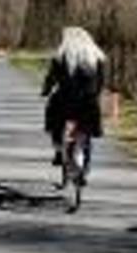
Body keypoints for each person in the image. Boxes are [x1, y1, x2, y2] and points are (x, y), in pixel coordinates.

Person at [41, 27, 106, 166]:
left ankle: (59, 149)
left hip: (65, 99)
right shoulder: (96, 57)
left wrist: (46, 90)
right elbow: (100, 81)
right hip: (87, 101)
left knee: (54, 120)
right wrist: (96, 94)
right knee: (87, 126)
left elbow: (52, 77)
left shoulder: (61, 56)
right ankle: (84, 149)